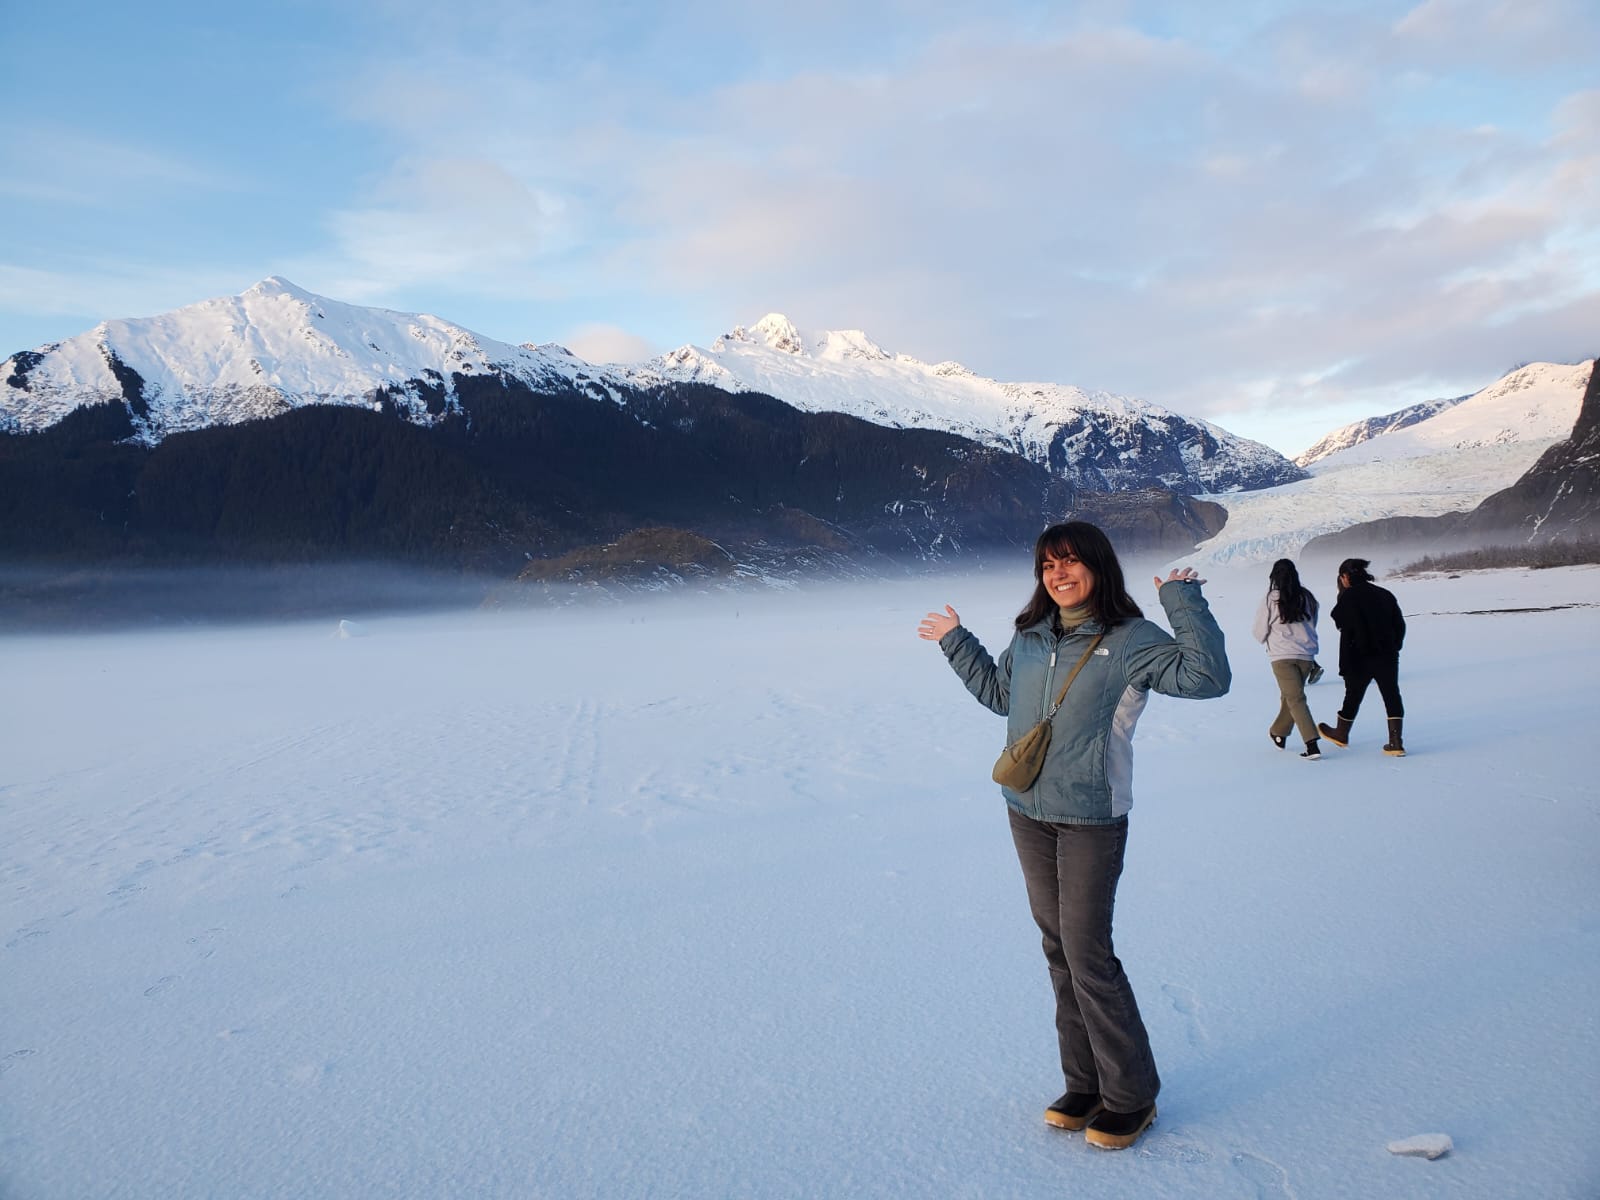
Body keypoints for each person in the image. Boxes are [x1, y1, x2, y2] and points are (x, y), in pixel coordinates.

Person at [917, 521, 1230, 1151]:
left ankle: (1131, 1096)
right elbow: (999, 693)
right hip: (1026, 810)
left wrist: (1183, 601)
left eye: (1070, 563)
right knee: (1059, 949)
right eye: (1048, 565)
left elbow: (1207, 677)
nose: (1059, 575)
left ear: (1097, 567)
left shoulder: (1133, 639)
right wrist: (957, 643)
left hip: (1091, 816)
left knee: (1089, 955)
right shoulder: (1031, 636)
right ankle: (1084, 1083)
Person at [1316, 557, 1407, 756]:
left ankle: (1341, 732)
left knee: (1353, 695)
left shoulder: (1349, 597)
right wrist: (1394, 646)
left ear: (1346, 576)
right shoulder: (1385, 594)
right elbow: (1400, 625)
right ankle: (1396, 742)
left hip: (1358, 656)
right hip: (1387, 655)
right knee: (1391, 695)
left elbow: (1339, 619)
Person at [1251, 558, 1322, 759]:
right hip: (1306, 655)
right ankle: (1278, 732)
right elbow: (1313, 622)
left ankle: (1311, 744)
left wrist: (1267, 640)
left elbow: (1259, 629)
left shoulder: (1271, 599)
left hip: (1281, 656)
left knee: (1294, 698)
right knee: (1291, 697)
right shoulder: (1307, 597)